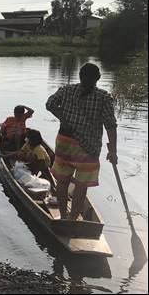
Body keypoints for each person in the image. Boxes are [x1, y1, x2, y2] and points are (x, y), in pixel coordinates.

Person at [46, 63, 117, 220]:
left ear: (80, 76)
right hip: (88, 148)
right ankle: (72, 219)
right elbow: (110, 125)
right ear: (98, 78)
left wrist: (63, 118)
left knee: (63, 182)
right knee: (81, 186)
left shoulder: (66, 90)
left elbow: (49, 104)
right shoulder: (103, 97)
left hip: (64, 142)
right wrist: (113, 151)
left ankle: (63, 216)